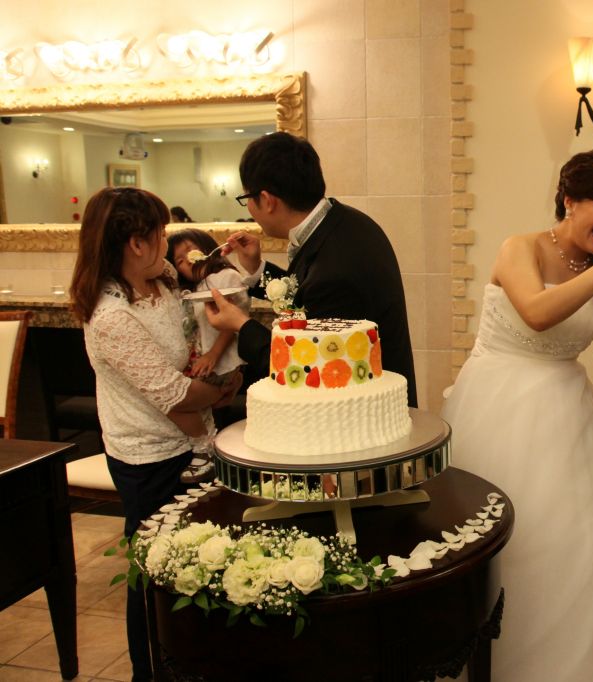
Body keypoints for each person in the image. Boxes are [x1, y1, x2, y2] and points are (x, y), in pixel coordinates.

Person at [441, 149, 593, 680]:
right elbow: (536, 313)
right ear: (570, 200)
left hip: (570, 414)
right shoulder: (521, 248)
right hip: (501, 406)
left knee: (580, 544)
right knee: (508, 538)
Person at [68, 187, 240, 682]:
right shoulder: (111, 317)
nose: (167, 242)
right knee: (153, 574)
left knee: (196, 565)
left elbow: (200, 286)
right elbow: (175, 395)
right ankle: (150, 670)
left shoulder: (159, 276)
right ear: (135, 243)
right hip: (151, 459)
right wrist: (220, 389)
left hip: (195, 440)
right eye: (159, 234)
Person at [202, 132, 417, 407]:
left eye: (247, 199)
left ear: (267, 200)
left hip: (362, 411)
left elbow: (304, 364)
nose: (250, 210)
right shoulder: (344, 222)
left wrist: (240, 324)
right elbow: (305, 296)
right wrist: (256, 268)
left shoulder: (334, 271)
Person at [166, 227, 250, 481]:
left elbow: (232, 322)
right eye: (179, 261)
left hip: (222, 362)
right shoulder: (192, 290)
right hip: (203, 362)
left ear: (206, 248)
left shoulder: (224, 277)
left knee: (174, 401)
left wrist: (213, 354)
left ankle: (205, 449)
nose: (187, 260)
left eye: (190, 251)